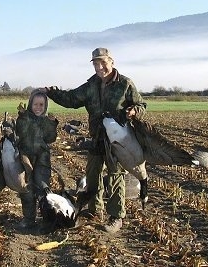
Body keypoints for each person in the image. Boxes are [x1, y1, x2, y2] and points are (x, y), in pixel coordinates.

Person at [42, 47, 146, 233]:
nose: (99, 67)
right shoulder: (91, 85)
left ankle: (116, 217)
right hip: (97, 137)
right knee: (92, 176)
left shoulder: (125, 84)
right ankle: (94, 211)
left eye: (103, 62)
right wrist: (51, 92)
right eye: (96, 63)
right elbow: (71, 99)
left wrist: (133, 111)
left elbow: (141, 105)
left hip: (116, 140)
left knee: (114, 177)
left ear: (111, 62)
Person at [15, 89, 59, 233]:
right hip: (26, 157)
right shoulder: (25, 118)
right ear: (30, 104)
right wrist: (21, 117)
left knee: (42, 187)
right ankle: (29, 219)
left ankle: (47, 219)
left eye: (41, 105)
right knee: (26, 188)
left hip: (42, 158)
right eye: (35, 104)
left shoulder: (46, 121)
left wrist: (52, 124)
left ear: (45, 106)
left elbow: (50, 138)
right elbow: (19, 132)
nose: (38, 108)